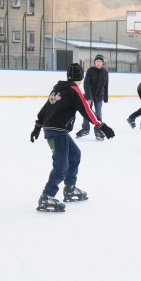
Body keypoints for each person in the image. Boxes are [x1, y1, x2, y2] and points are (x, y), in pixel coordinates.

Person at [30, 63, 115, 212]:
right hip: (57, 132)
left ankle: (69, 187)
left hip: (55, 131)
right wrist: (101, 125)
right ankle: (46, 196)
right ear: (81, 77)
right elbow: (86, 110)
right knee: (61, 166)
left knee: (75, 154)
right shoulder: (74, 90)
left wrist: (38, 126)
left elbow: (45, 107)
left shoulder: (57, 89)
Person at [76, 54, 109, 140]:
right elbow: (86, 84)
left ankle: (98, 131)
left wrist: (105, 98)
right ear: (94, 62)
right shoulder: (90, 71)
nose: (98, 63)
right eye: (97, 61)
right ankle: (85, 129)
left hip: (99, 96)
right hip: (89, 95)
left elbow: (106, 85)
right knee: (87, 112)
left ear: (102, 63)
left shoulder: (105, 72)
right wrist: (88, 97)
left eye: (100, 61)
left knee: (98, 114)